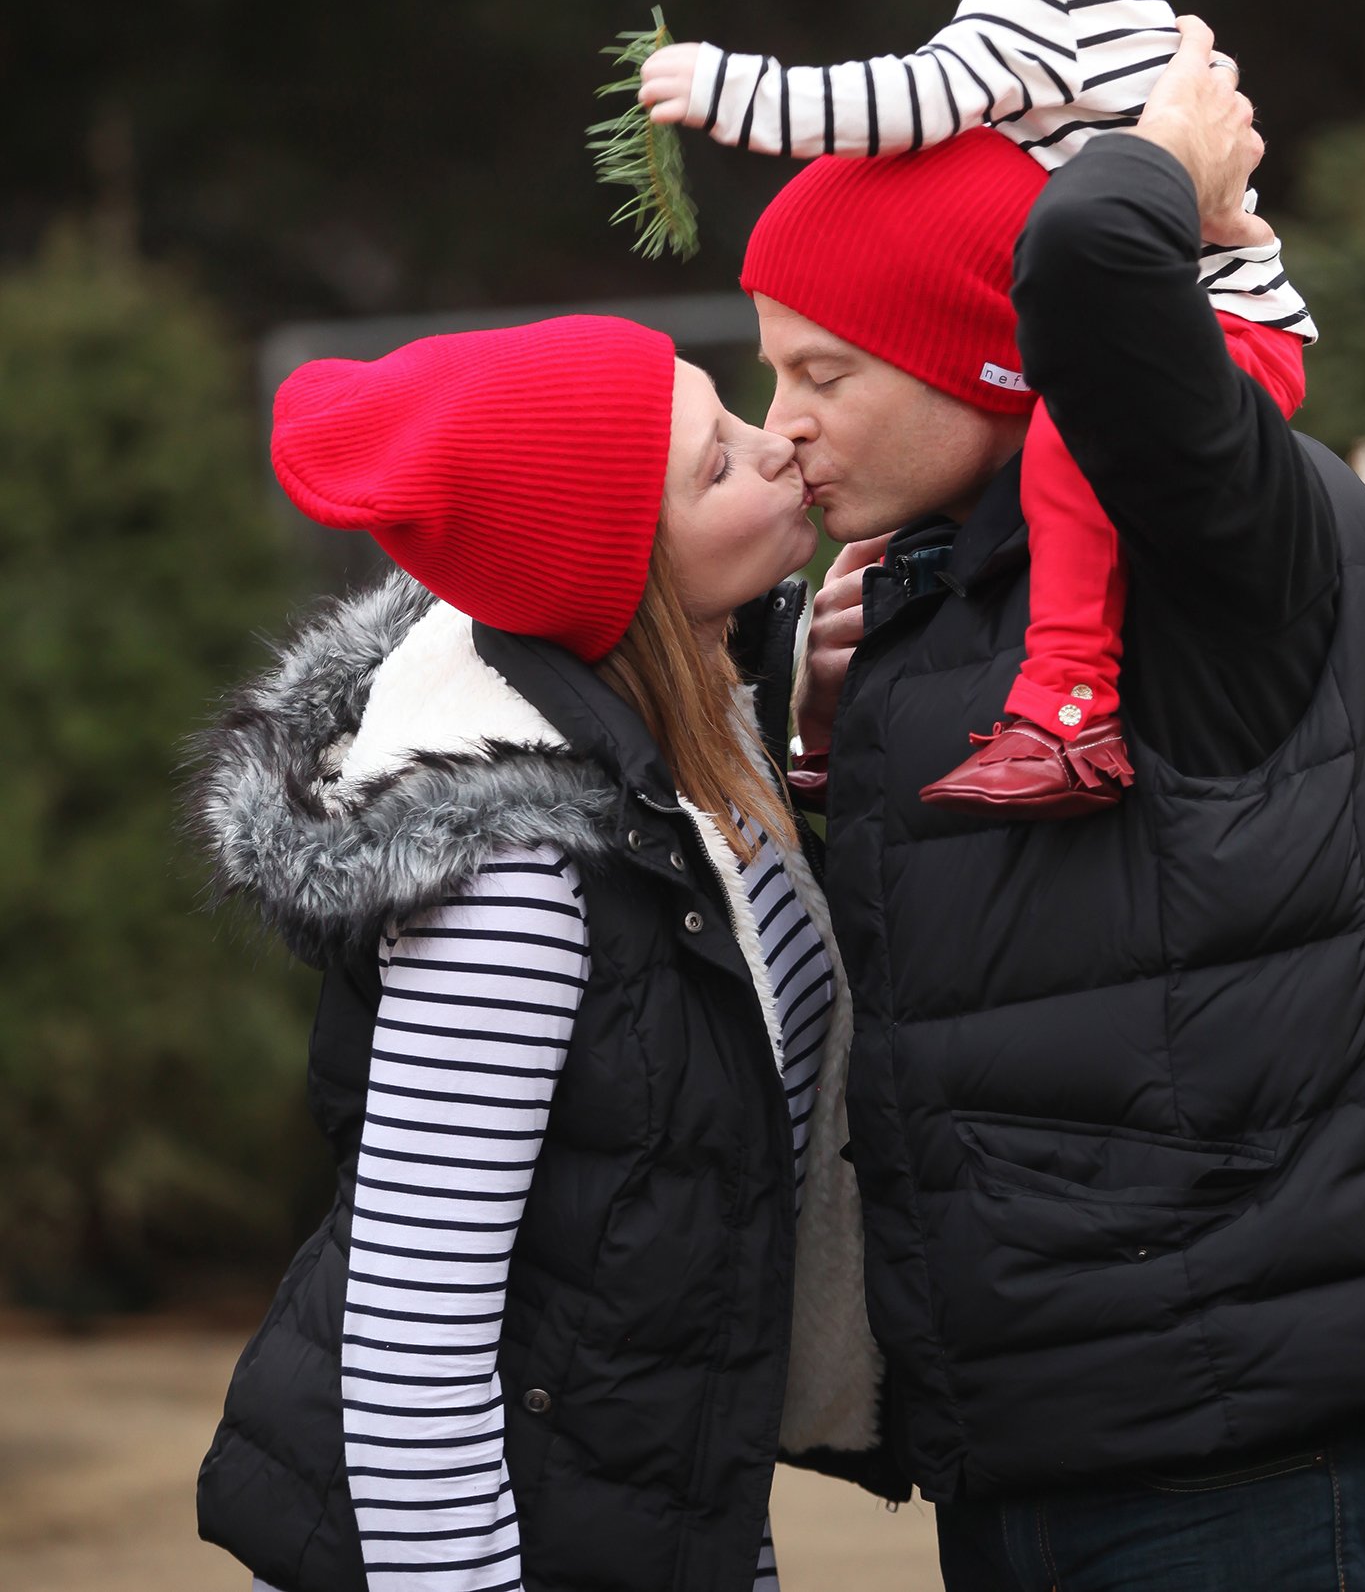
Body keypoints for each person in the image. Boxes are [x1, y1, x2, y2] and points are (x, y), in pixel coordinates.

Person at [741, 23, 1365, 1589]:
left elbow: (1082, 269)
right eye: (770, 367)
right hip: (1037, 1439)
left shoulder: (1218, 542)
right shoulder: (931, 595)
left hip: (1236, 1466)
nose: (781, 418)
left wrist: (1161, 165)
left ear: (987, 357)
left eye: (827, 370)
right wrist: (807, 740)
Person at [189, 314, 899, 1592]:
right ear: (619, 573)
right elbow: (414, 1357)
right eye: (718, 464)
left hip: (657, 1509)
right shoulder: (515, 879)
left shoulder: (693, 764)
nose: (778, 441)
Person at [639, 0, 1313, 817]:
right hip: (1193, 314)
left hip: (1209, 329)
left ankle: (1064, 711)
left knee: (1076, 450)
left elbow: (907, 103)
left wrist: (733, 90)